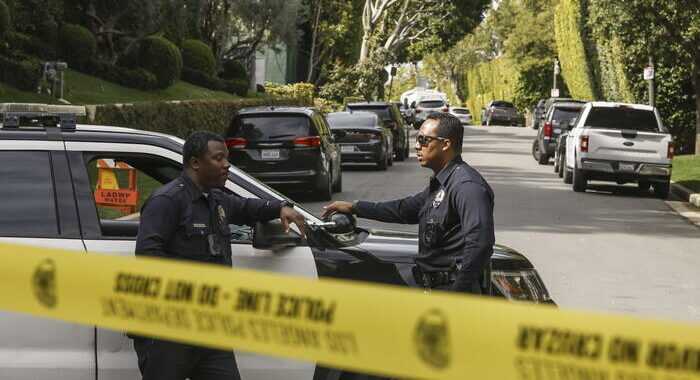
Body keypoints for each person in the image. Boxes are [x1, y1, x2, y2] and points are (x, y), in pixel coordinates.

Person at [134, 130, 305, 380]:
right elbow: (148, 259)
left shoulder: (215, 198)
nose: (227, 164)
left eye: (227, 158)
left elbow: (247, 207)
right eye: (219, 158)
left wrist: (280, 206)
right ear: (195, 163)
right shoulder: (167, 201)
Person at [322, 113, 494, 293]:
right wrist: (354, 207)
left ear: (445, 144)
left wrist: (458, 293)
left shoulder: (466, 186)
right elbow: (403, 210)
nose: (417, 146)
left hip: (453, 293)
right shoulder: (443, 183)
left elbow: (480, 244)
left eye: (424, 140)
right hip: (433, 288)